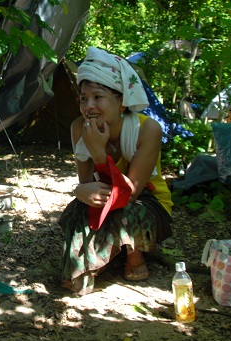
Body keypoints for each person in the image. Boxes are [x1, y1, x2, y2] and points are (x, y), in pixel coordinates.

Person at [58, 47, 173, 295]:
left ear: (121, 102)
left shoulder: (147, 130)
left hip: (145, 201)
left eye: (98, 97)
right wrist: (81, 191)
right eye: (83, 98)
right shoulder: (80, 127)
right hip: (108, 194)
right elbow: (87, 182)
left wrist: (99, 153)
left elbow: (130, 193)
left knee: (126, 212)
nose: (89, 106)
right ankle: (95, 260)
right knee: (77, 210)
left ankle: (135, 256)